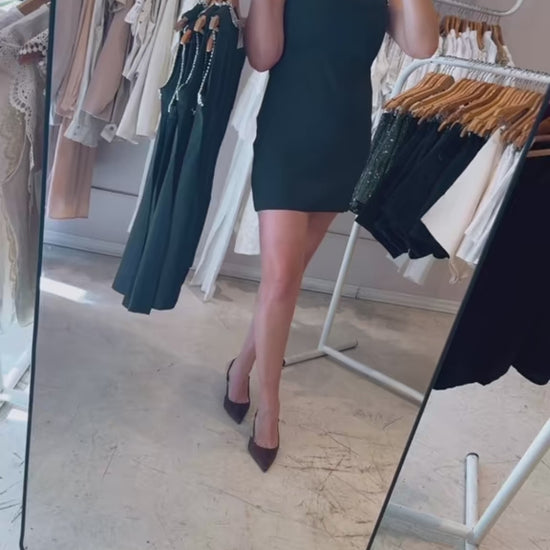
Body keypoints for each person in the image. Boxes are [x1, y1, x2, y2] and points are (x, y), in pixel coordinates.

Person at [224, 0, 439, 472]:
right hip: (286, 138)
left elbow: (423, 44)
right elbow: (263, 56)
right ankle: (270, 409)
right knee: (281, 280)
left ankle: (240, 368)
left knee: (286, 281)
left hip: (344, 144)